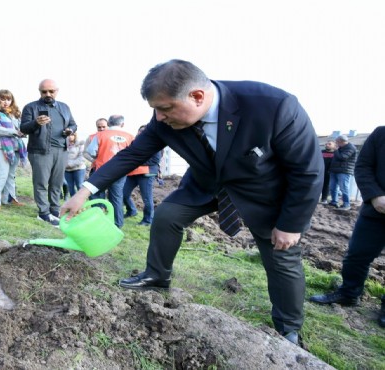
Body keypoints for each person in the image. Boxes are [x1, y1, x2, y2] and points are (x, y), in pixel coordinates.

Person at [61, 59, 323, 345]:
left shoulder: (273, 106)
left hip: (264, 192)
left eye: (165, 108)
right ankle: (157, 275)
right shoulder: (164, 120)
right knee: (167, 216)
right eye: (155, 110)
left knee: (281, 256)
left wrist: (291, 224)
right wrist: (85, 190)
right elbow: (132, 155)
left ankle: (288, 328)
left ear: (197, 97)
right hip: (205, 185)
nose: (159, 117)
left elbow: (307, 170)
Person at [309, 126, 385, 329]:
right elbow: (363, 166)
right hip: (376, 211)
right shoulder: (380, 135)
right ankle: (349, 293)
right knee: (357, 254)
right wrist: (375, 195)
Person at [20, 79, 77, 226]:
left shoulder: (64, 107)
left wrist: (70, 130)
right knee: (41, 183)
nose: (48, 94)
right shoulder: (30, 107)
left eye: (51, 91)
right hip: (40, 151)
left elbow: (73, 123)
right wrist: (35, 122)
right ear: (39, 91)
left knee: (56, 183)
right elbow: (24, 128)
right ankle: (43, 213)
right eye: (44, 91)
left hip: (61, 150)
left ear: (57, 91)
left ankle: (55, 211)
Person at [85, 114, 135, 228]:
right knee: (116, 197)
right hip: (121, 171)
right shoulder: (130, 137)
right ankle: (117, 224)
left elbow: (92, 152)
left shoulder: (100, 135)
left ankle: (98, 220)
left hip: (102, 169)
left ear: (109, 123)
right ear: (122, 124)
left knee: (96, 195)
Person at [0, 89, 27, 210]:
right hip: (0, 146)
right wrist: (15, 132)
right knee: (3, 173)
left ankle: (9, 198)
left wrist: (21, 132)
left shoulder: (14, 114)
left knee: (11, 174)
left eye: (8, 99)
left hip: (15, 146)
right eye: (2, 99)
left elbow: (21, 128)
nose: (6, 102)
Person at [123, 124, 163, 226]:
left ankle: (147, 220)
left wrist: (136, 161)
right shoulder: (134, 142)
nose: (141, 132)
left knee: (146, 198)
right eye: (140, 131)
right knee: (124, 194)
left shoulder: (155, 143)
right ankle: (131, 210)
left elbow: (155, 160)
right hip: (132, 173)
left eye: (144, 131)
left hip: (147, 173)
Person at [328, 135, 358, 210]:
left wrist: (336, 150)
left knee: (344, 188)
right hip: (334, 170)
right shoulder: (340, 148)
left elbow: (342, 157)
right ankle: (334, 202)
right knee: (332, 187)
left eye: (337, 142)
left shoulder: (351, 148)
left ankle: (346, 204)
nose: (336, 143)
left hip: (344, 171)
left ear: (341, 142)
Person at [84, 118, 109, 201]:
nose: (101, 129)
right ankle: (98, 209)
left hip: (111, 168)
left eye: (103, 127)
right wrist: (93, 160)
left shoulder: (112, 137)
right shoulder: (91, 137)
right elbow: (85, 152)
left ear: (108, 126)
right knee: (95, 191)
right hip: (95, 168)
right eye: (99, 127)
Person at [65, 132, 87, 198]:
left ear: (75, 135)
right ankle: (73, 205)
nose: (70, 136)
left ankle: (82, 204)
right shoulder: (63, 144)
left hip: (78, 169)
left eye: (72, 135)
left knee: (79, 186)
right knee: (70, 188)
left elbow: (81, 158)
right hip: (67, 170)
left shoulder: (80, 144)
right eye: (68, 135)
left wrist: (69, 164)